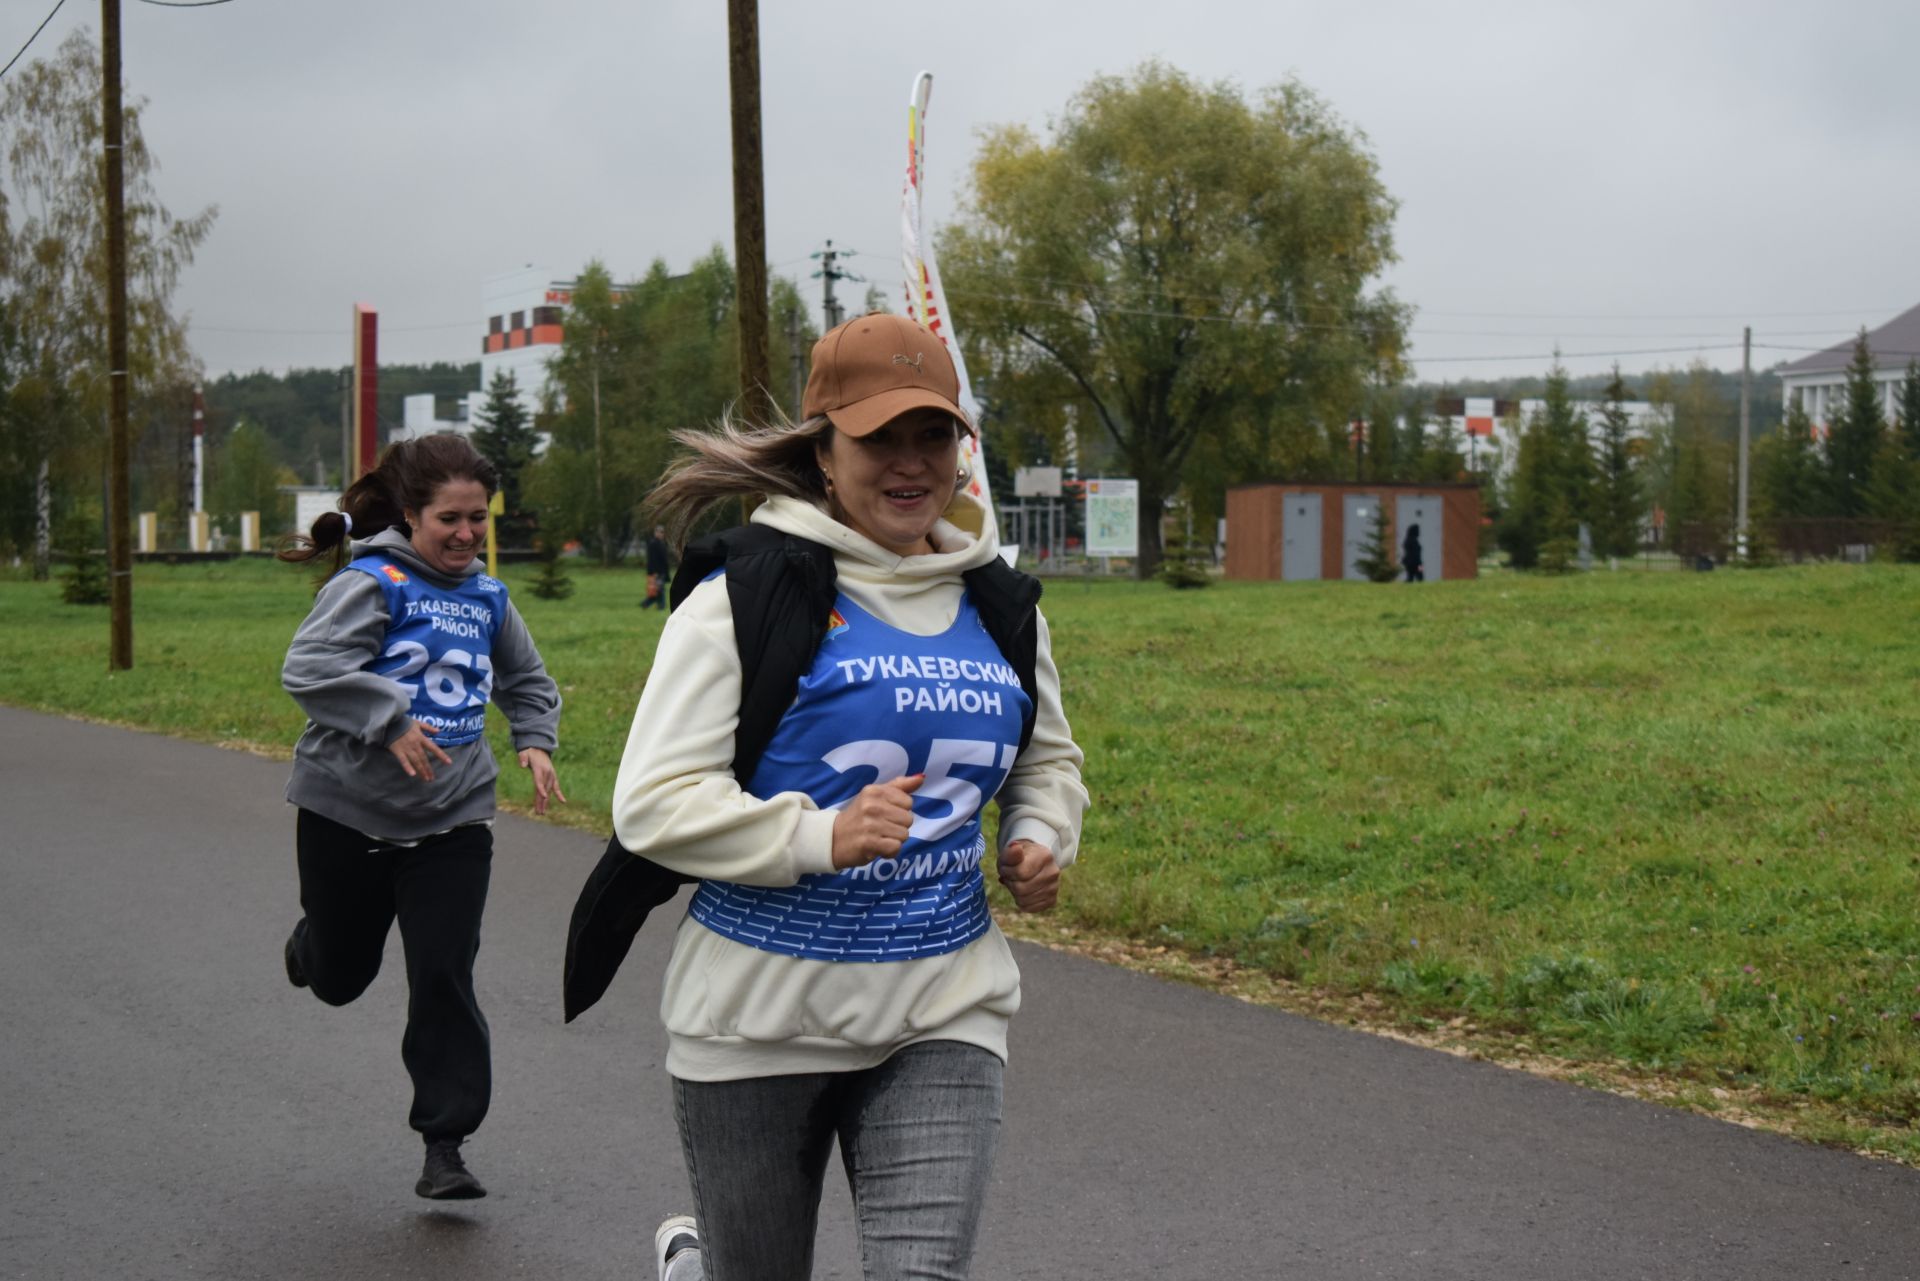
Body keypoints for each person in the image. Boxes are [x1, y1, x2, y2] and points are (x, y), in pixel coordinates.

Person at [613, 313, 1088, 1281]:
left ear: (963, 450)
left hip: (942, 1005)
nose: (911, 464)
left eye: (935, 435)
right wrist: (819, 836)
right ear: (824, 452)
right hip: (757, 1017)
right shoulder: (745, 596)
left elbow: (1048, 761)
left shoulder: (998, 602)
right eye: (880, 438)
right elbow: (653, 802)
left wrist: (1041, 833)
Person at [276, 434, 565, 1201]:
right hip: (346, 808)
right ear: (411, 513)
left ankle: (446, 1144)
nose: (467, 535)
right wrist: (388, 716)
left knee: (444, 974)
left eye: (478, 519)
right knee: (341, 976)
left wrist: (534, 741)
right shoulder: (375, 583)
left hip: (453, 816)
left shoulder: (488, 597)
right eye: (450, 520)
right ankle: (314, 946)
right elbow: (307, 669)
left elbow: (528, 680)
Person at [641, 524, 672, 609]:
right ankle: (659, 606)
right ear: (655, 533)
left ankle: (646, 605)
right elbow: (652, 560)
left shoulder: (662, 544)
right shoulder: (653, 544)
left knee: (658, 590)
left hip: (662, 571)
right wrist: (654, 572)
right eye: (659, 532)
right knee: (659, 590)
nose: (661, 534)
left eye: (662, 532)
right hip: (656, 572)